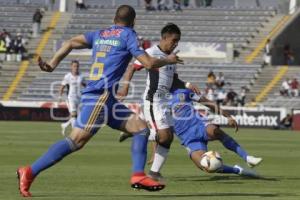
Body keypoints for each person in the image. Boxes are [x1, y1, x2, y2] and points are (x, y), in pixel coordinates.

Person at [17, 5, 183, 197]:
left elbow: (71, 42)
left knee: (141, 128)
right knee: (76, 141)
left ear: (114, 19)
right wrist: (169, 60)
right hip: (100, 96)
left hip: (107, 98)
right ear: (133, 21)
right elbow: (149, 63)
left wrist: (52, 64)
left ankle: (138, 175)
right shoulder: (128, 34)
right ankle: (29, 172)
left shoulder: (100, 34)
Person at [117, 23, 200, 181]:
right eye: (174, 40)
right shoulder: (150, 52)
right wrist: (125, 88)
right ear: (165, 37)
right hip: (152, 101)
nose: (175, 44)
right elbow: (132, 68)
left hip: (164, 102)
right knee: (163, 135)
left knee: (168, 137)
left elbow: (173, 81)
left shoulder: (171, 57)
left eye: (178, 41)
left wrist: (188, 85)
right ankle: (135, 131)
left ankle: (154, 172)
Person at [120, 88, 262, 178]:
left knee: (215, 131)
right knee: (206, 167)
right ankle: (238, 170)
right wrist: (153, 154)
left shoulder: (184, 92)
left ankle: (247, 157)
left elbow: (206, 102)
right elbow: (157, 132)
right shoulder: (156, 104)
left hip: (200, 126)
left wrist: (227, 116)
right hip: (189, 141)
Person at [59, 60, 85, 136]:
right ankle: (74, 133)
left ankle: (65, 125)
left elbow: (85, 85)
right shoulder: (68, 76)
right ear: (71, 67)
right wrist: (60, 97)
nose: (76, 68)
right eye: (74, 66)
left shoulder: (81, 76)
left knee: (77, 116)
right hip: (70, 98)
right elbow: (62, 87)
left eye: (77, 66)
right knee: (73, 114)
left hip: (79, 98)